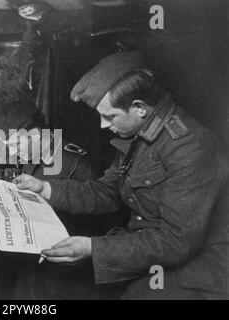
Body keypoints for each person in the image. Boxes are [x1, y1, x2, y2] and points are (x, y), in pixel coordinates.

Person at [13, 51, 229, 299]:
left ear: (139, 108)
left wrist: (93, 249)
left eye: (110, 116)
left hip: (196, 270)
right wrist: (44, 189)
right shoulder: (139, 135)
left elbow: (176, 241)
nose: (104, 125)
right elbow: (106, 192)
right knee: (40, 278)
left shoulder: (191, 146)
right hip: (146, 253)